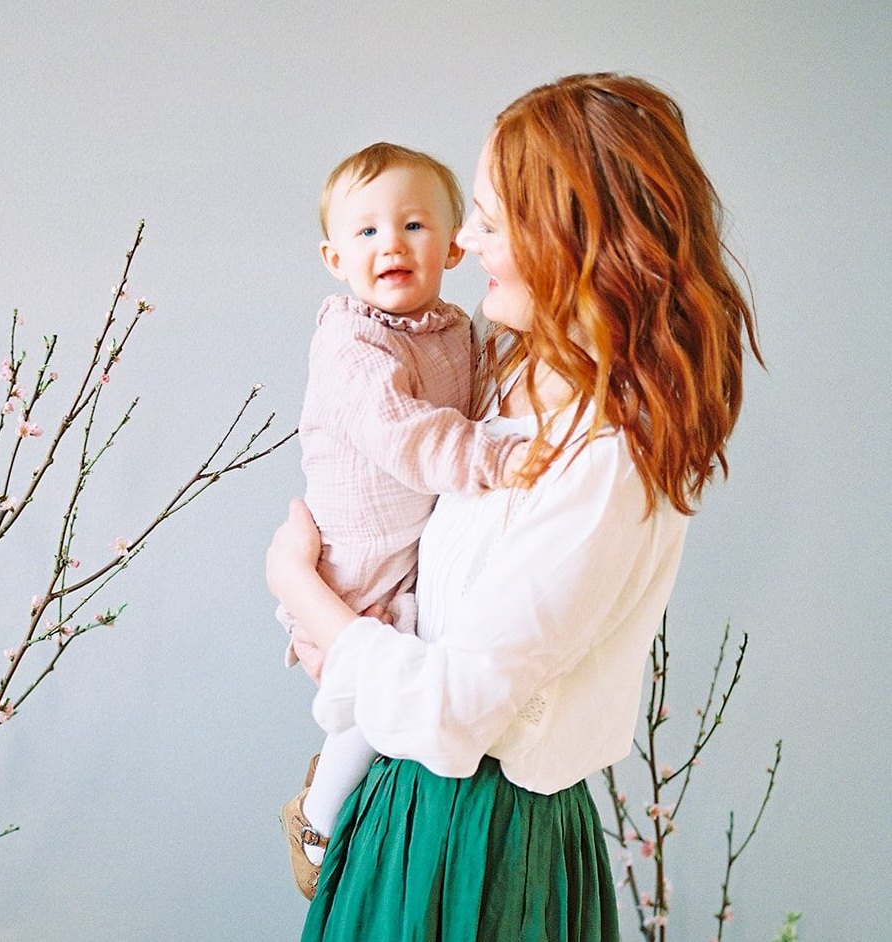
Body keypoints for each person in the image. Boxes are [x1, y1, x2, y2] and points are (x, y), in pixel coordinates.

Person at [267, 73, 762, 941]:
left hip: (480, 845)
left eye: (491, 223)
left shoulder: (608, 457)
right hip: (407, 808)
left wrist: (300, 589)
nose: (464, 241)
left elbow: (455, 707)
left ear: (573, 243)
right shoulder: (504, 375)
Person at [278, 142, 531, 900]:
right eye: (366, 231)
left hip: (411, 548)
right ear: (334, 258)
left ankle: (335, 790)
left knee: (402, 681)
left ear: (453, 246)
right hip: (356, 562)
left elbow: (478, 400)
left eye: (414, 225)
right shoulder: (350, 342)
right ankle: (316, 818)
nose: (391, 243)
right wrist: (500, 459)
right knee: (378, 683)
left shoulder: (455, 328)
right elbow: (406, 434)